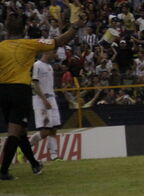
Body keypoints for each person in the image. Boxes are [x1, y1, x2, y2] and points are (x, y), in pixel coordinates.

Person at [1, 13, 83, 180]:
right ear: (24, 29)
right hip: (20, 90)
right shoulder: (30, 44)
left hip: (2, 91)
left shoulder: (1, 46)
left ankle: (35, 164)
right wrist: (75, 26)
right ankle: (3, 171)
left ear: (6, 29)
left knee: (21, 131)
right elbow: (59, 41)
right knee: (15, 132)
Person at [28, 51, 61, 161]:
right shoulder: (37, 65)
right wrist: (44, 99)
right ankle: (25, 148)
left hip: (51, 98)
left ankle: (54, 155)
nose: (55, 55)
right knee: (45, 131)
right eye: (53, 53)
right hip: (41, 99)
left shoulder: (49, 66)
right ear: (46, 53)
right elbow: (35, 84)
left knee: (54, 128)